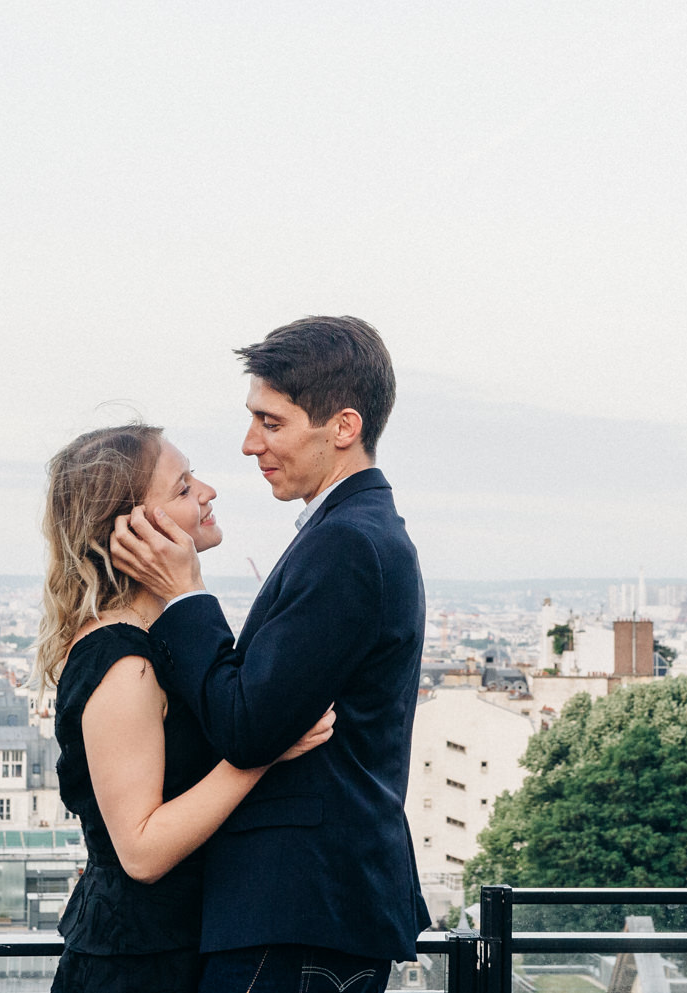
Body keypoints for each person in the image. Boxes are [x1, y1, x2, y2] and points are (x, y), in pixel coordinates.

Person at [112, 315, 430, 993]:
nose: (251, 442)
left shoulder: (348, 544)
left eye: (271, 422)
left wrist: (184, 595)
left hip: (297, 908)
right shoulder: (353, 534)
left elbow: (249, 725)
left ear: (342, 427)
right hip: (308, 909)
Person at [32, 423, 336, 993]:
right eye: (182, 487)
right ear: (131, 529)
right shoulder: (124, 662)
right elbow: (141, 850)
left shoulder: (158, 639)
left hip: (174, 948)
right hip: (139, 965)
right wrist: (261, 753)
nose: (207, 492)